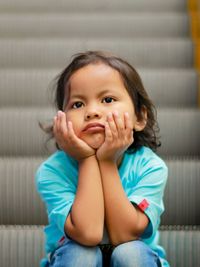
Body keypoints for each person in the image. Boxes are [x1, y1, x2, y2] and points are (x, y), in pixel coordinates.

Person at [35, 51, 170, 267]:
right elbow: (87, 233)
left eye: (108, 100)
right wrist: (88, 159)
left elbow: (125, 234)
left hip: (135, 256)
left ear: (140, 116)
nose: (92, 112)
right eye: (77, 104)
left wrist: (107, 162)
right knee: (81, 253)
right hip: (73, 257)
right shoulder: (53, 171)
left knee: (130, 253)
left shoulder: (149, 166)